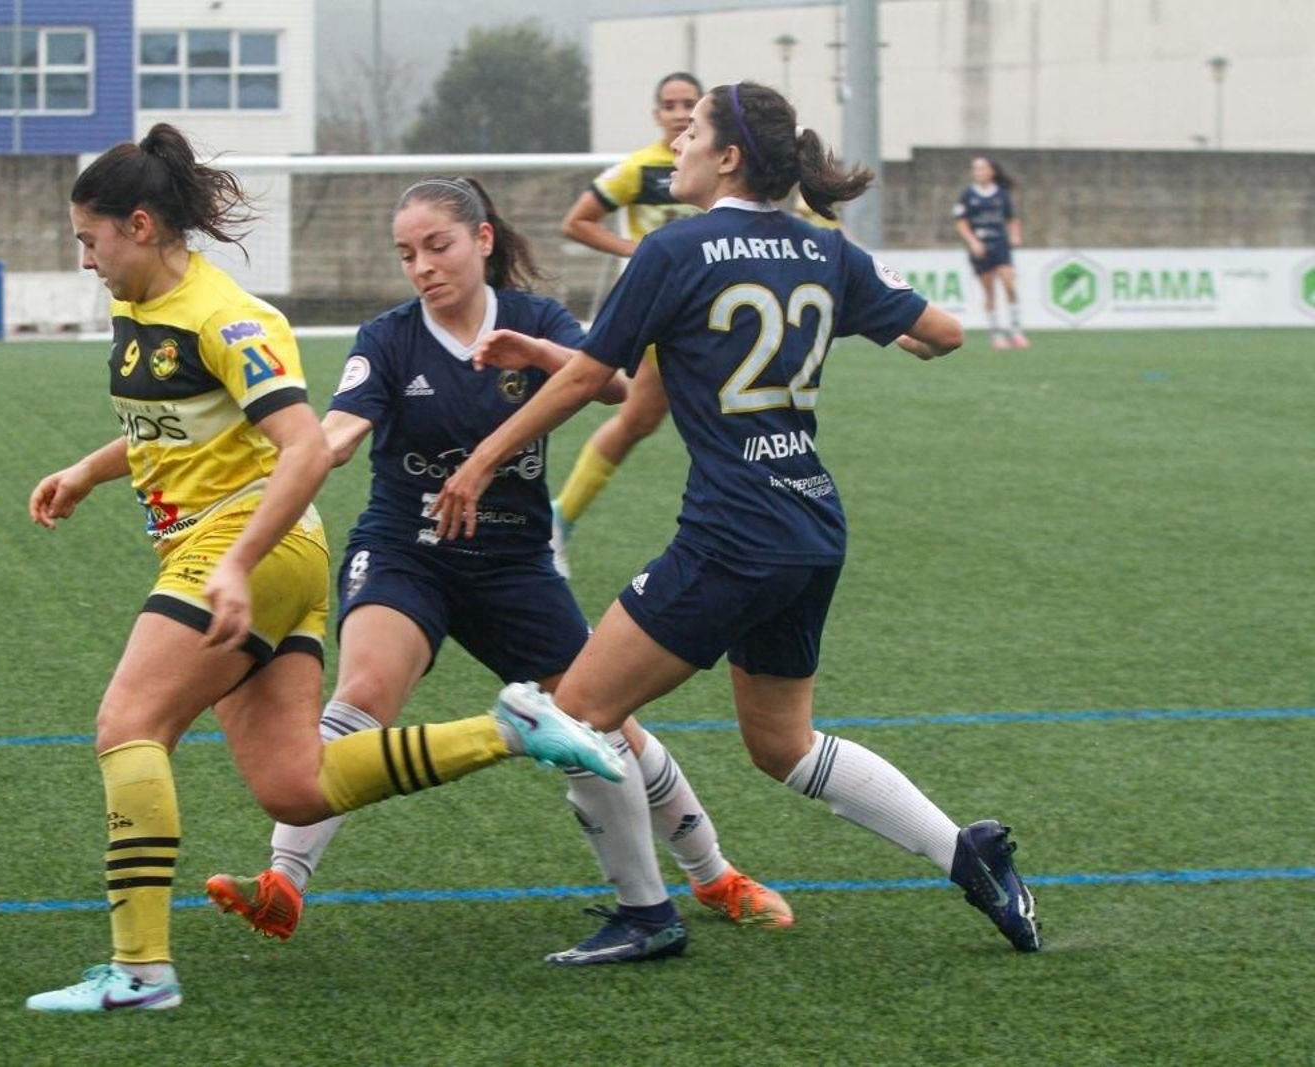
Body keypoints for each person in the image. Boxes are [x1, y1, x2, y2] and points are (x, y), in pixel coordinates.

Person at [22, 125, 626, 1014]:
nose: (84, 258)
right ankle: (509, 729)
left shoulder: (226, 318)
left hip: (240, 549)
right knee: (295, 786)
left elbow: (304, 447)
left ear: (140, 225)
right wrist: (88, 468)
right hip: (242, 552)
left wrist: (235, 563)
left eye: (89, 238)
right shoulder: (142, 308)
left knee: (127, 725)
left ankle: (140, 971)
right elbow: (179, 427)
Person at [432, 82, 1043, 954]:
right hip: (809, 527)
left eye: (692, 132)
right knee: (783, 744)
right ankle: (968, 853)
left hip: (733, 534)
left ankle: (646, 915)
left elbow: (587, 380)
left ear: (728, 158)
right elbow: (941, 333)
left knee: (574, 716)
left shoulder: (675, 249)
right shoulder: (825, 251)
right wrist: (882, 322)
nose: (675, 145)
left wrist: (482, 459)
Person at [205, 175, 794, 969]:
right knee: (366, 690)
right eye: (406, 254)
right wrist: (318, 450)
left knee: (606, 724)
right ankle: (284, 878)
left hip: (515, 563)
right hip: (406, 548)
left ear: (483, 240)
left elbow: (617, 387)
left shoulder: (536, 320)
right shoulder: (386, 338)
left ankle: (714, 875)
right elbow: (341, 428)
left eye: (437, 245)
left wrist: (548, 355)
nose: (422, 266)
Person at [548, 72, 704, 577]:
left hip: (712, 315)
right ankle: (557, 522)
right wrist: (635, 251)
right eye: (669, 104)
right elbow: (576, 221)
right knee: (646, 420)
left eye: (689, 104)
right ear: (656, 114)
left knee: (653, 422)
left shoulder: (716, 165)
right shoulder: (640, 170)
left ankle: (557, 521)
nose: (679, 112)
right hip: (665, 319)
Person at [953, 156, 1028, 350]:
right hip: (980, 248)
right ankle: (996, 334)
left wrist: (1015, 236)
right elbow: (961, 222)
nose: (979, 172)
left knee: (1009, 284)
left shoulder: (1002, 194)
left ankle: (1016, 329)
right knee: (989, 291)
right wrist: (973, 242)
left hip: (1000, 245)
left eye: (982, 168)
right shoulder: (968, 195)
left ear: (991, 171)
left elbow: (1011, 219)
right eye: (975, 169)